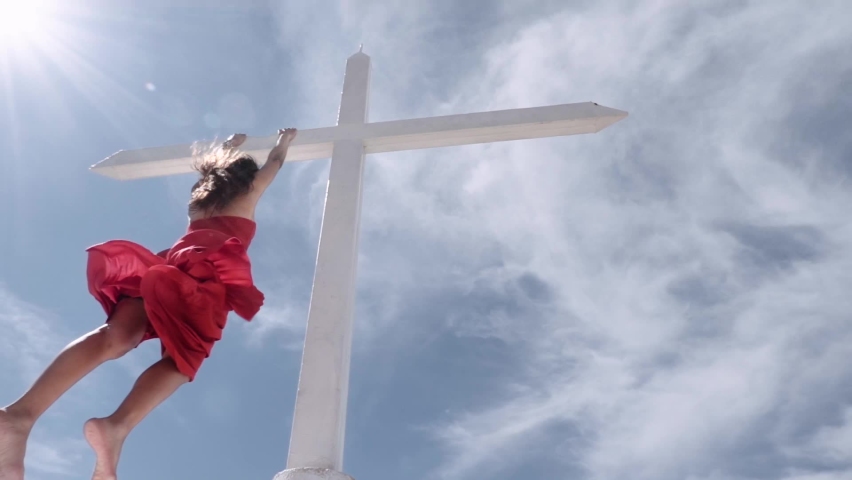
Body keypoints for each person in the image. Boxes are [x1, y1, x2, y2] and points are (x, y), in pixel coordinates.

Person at [0, 128, 298, 480]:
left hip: (165, 264)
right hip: (203, 271)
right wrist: (283, 143)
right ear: (246, 178)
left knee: (117, 335)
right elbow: (274, 165)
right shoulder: (248, 194)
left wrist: (230, 146)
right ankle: (116, 427)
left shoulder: (199, 199)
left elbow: (215, 171)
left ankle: (20, 415)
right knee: (183, 358)